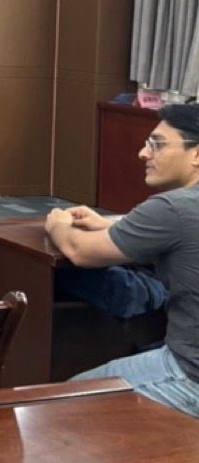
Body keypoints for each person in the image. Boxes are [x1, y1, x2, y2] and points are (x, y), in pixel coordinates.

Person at [45, 103, 199, 418]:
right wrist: (114, 226)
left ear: (196, 154)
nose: (143, 153)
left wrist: (57, 223)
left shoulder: (172, 208)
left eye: (157, 144)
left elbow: (78, 250)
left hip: (189, 375)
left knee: (58, 403)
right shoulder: (178, 213)